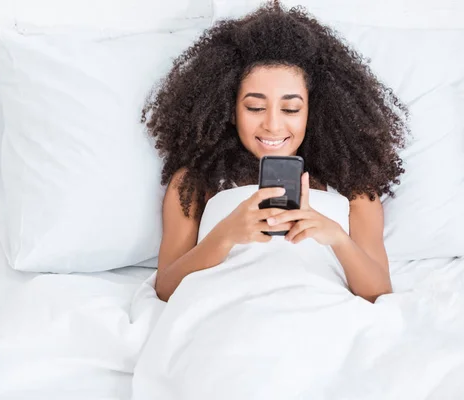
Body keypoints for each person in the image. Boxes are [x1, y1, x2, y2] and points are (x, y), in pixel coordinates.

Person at [141, 3, 408, 303]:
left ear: (313, 111)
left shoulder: (355, 189)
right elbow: (165, 289)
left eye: (291, 108)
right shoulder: (193, 184)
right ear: (230, 110)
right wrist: (225, 235)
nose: (272, 125)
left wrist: (336, 238)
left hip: (323, 319)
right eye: (255, 107)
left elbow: (379, 291)